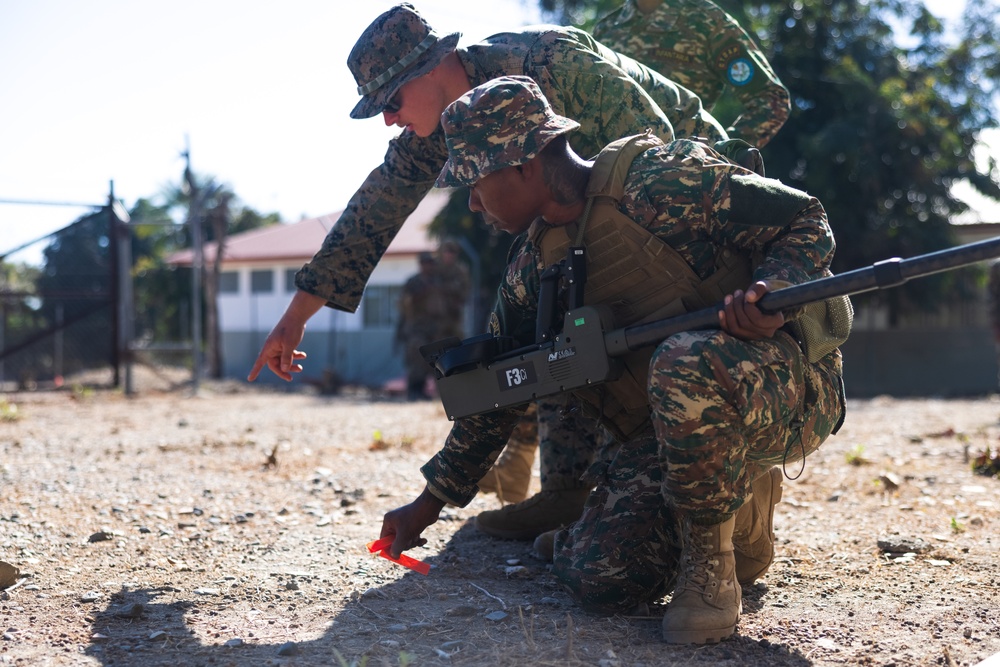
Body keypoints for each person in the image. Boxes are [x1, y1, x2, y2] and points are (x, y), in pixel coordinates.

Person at [379, 76, 848, 644]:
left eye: (476, 183)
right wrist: (427, 504)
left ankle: (711, 573)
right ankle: (737, 509)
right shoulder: (533, 263)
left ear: (524, 164)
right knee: (600, 579)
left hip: (784, 390)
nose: (473, 203)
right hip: (670, 431)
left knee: (683, 361)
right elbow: (498, 387)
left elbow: (804, 219)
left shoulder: (662, 179)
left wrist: (774, 289)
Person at [247, 3, 733, 537]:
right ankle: (565, 491)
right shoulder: (443, 125)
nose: (388, 119)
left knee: (570, 288)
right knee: (543, 298)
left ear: (432, 68)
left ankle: (654, 485)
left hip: (702, 203)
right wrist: (296, 316)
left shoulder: (549, 65)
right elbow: (375, 209)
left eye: (390, 101)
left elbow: (660, 151)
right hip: (589, 221)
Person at [594, 0, 791, 148]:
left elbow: (771, 99)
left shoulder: (705, 20)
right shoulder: (607, 29)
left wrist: (722, 153)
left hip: (677, 184)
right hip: (608, 179)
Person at [395, 251, 447, 400]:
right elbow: (404, 304)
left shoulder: (438, 281)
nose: (428, 266)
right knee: (417, 360)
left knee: (437, 360)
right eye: (425, 263)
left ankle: (438, 392)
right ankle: (415, 391)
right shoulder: (414, 282)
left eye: (430, 263)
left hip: (437, 327)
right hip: (417, 328)